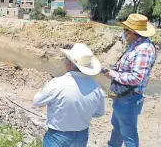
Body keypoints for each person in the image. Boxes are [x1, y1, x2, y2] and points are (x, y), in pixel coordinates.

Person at [33, 43, 105, 147]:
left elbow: (37, 101)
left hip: (58, 136)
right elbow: (99, 113)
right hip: (82, 135)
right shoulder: (96, 87)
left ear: (68, 64)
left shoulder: (57, 83)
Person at [104, 14, 157, 147]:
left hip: (129, 99)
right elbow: (129, 67)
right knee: (117, 128)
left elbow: (136, 78)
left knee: (129, 133)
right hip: (123, 96)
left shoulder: (143, 49)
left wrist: (113, 75)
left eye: (125, 30)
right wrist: (114, 70)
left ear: (134, 32)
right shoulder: (135, 45)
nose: (124, 33)